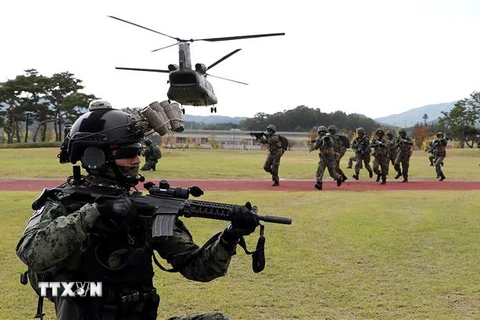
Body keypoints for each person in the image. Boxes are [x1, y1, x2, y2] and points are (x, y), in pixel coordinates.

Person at [16, 100, 259, 320]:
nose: (136, 160)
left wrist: (229, 237)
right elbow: (31, 254)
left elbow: (199, 268)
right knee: (70, 290)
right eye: (128, 153)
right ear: (95, 157)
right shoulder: (64, 201)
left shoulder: (141, 207)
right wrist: (95, 212)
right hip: (87, 313)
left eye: (138, 152)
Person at [310, 126, 343, 190]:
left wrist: (326, 140)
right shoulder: (319, 139)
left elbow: (331, 144)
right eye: (320, 132)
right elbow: (315, 147)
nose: (322, 133)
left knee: (332, 174)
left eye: (323, 132)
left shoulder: (329, 138)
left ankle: (339, 178)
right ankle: (319, 183)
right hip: (323, 158)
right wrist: (317, 142)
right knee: (320, 170)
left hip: (330, 158)